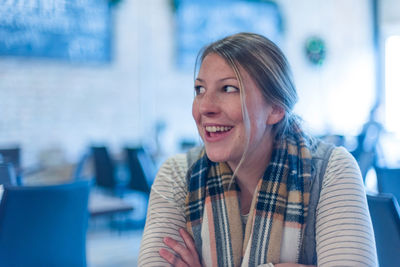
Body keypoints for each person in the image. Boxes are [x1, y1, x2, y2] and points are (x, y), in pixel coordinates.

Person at [138, 33, 377, 266]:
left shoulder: (331, 171)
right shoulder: (178, 174)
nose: (205, 107)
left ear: (275, 108)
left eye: (229, 88)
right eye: (199, 90)